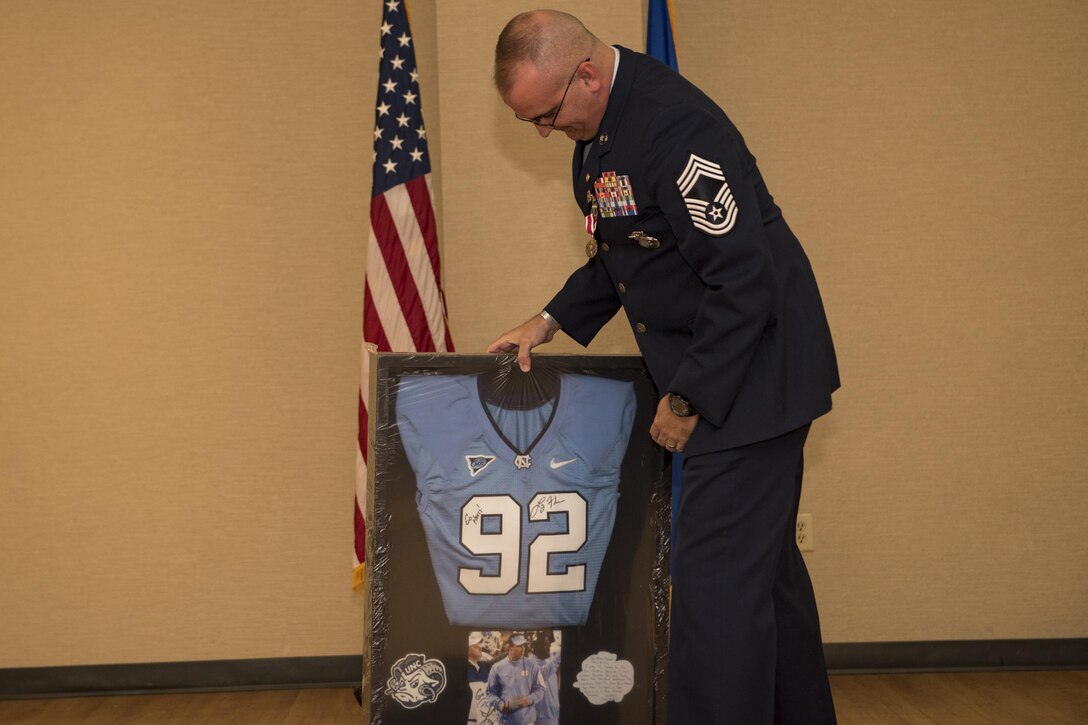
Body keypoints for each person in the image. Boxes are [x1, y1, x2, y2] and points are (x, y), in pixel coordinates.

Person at [487, 10, 840, 724]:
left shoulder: (678, 130)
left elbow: (744, 276)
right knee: (763, 582)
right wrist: (550, 318)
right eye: (532, 121)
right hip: (728, 370)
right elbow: (627, 247)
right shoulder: (599, 131)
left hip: (752, 377)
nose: (544, 134)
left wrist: (685, 398)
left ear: (585, 73)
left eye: (547, 115)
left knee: (713, 597)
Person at [486, 633, 545, 724]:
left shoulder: (533, 666)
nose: (523, 649)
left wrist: (529, 699)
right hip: (505, 721)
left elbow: (540, 689)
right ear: (509, 648)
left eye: (523, 645)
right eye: (519, 646)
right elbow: (490, 693)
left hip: (527, 721)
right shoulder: (497, 668)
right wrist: (500, 705)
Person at [468, 632, 493, 725]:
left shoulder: (484, 666)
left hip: (485, 715)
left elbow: (499, 659)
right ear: (467, 650)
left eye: (479, 645)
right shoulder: (463, 668)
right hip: (471, 718)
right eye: (475, 646)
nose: (480, 647)